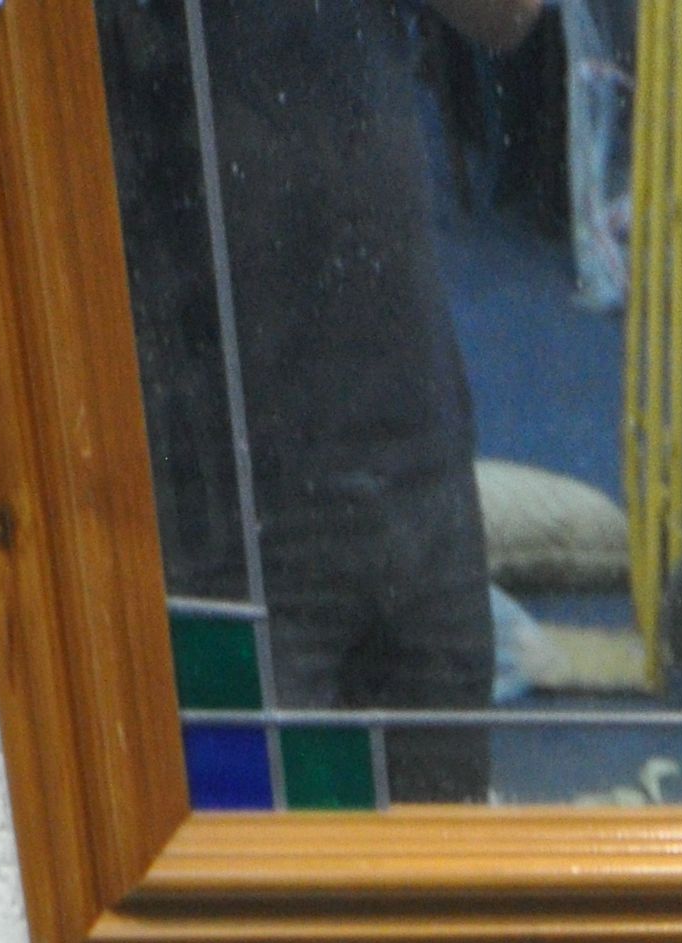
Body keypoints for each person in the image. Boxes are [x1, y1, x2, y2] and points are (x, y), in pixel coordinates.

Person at [96, 0, 548, 800]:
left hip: (412, 446)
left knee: (440, 874)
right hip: (219, 484)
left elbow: (509, 15)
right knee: (251, 877)